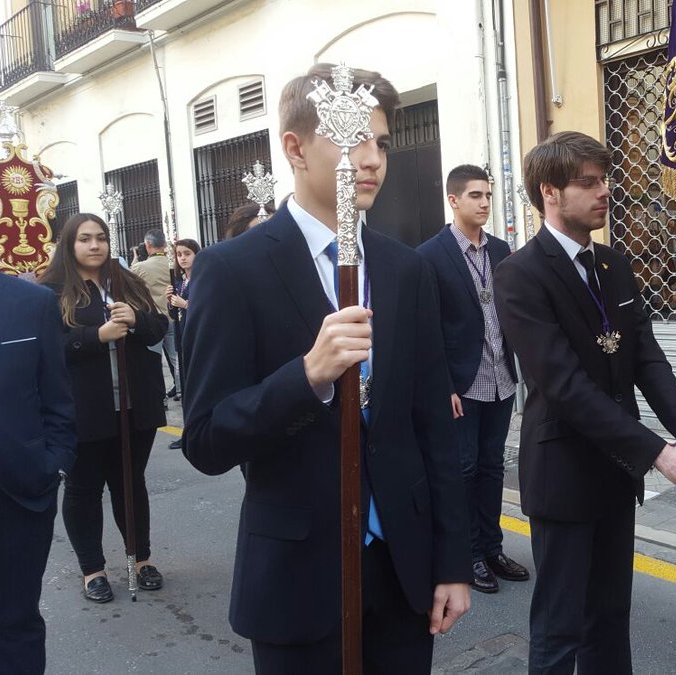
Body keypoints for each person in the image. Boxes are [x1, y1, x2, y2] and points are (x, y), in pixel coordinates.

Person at [181, 64, 471, 673]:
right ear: (294, 147)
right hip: (297, 574)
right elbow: (207, 437)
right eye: (350, 136)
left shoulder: (405, 270)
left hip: (401, 568)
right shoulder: (232, 271)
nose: (371, 159)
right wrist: (306, 376)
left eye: (382, 143)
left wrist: (451, 563)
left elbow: (434, 431)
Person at [493, 131, 676, 675]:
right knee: (561, 627)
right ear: (549, 192)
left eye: (605, 179)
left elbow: (646, 358)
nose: (604, 192)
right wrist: (659, 454)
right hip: (563, 474)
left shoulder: (614, 265)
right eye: (588, 182)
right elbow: (564, 385)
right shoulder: (519, 275)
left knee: (609, 619)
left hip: (615, 473)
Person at [0, 174, 75, 674]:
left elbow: (57, 401)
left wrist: (54, 466)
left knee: (19, 622)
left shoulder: (34, 304)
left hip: (23, 493)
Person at [40, 213, 169, 604]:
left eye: (100, 238)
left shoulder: (126, 281)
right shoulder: (51, 290)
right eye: (84, 239)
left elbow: (159, 327)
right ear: (70, 244)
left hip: (134, 404)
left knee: (131, 483)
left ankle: (140, 559)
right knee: (83, 489)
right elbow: (48, 347)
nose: (94, 245)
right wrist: (95, 336)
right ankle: (92, 569)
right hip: (84, 407)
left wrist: (137, 318)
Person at [416, 164, 528, 595]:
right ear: (454, 200)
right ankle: (468, 555)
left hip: (501, 377)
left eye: (488, 196)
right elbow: (425, 328)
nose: (484, 203)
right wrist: (441, 385)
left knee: (492, 466)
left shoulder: (501, 251)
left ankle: (493, 546)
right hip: (461, 384)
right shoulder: (430, 255)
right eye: (476, 196)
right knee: (462, 470)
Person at [131, 228, 179, 401]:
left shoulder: (140, 267)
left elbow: (130, 280)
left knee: (154, 360)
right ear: (164, 244)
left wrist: (135, 259)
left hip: (153, 320)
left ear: (147, 244)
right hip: (173, 316)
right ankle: (182, 390)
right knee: (176, 358)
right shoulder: (174, 263)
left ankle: (160, 398)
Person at [165, 238, 199, 451]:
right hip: (182, 337)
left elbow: (207, 308)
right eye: (179, 254)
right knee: (184, 385)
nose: (183, 258)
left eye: (187, 253)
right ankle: (188, 431)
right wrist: (171, 302)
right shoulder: (180, 282)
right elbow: (174, 314)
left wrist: (185, 304)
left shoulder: (202, 280)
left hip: (196, 338)